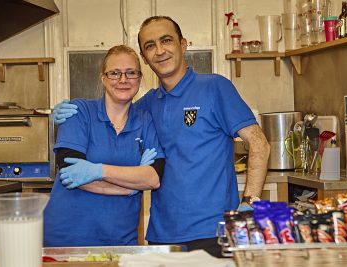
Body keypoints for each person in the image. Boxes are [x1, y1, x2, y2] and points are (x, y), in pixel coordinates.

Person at [53, 16, 270, 257]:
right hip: (161, 236)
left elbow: (259, 143)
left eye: (166, 40)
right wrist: (63, 112)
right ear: (145, 58)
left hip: (213, 231)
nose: (159, 50)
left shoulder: (215, 87)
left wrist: (250, 203)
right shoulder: (146, 106)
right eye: (149, 45)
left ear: (183, 44)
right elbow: (113, 110)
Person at [43, 45, 165, 247]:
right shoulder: (80, 112)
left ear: (140, 78)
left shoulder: (145, 121)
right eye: (115, 73)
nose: (123, 80)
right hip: (66, 238)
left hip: (119, 239)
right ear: (103, 78)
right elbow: (71, 176)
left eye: (131, 73)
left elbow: (153, 179)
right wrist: (130, 188)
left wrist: (98, 170)